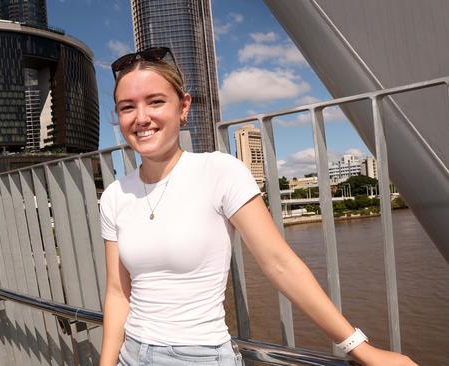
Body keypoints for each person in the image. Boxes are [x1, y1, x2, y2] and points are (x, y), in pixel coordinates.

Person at [99, 47, 417, 366]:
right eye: (127, 107)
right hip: (131, 354)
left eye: (156, 102)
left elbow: (280, 264)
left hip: (197, 356)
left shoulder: (220, 171)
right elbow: (117, 292)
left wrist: (361, 348)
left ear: (183, 107)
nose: (141, 118)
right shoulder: (114, 195)